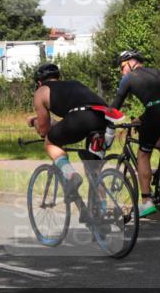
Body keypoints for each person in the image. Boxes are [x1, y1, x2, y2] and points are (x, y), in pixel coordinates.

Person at [108, 50, 160, 217]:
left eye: (122, 67)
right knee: (156, 135)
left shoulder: (129, 78)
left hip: (158, 111)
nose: (121, 71)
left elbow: (116, 104)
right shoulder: (156, 72)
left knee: (143, 155)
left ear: (130, 63)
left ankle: (146, 202)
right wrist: (142, 119)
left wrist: (106, 122)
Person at [27, 62, 118, 194]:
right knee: (93, 170)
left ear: (39, 82)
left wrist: (34, 121)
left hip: (79, 118)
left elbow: (44, 130)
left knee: (50, 141)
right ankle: (101, 211)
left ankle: (71, 175)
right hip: (103, 118)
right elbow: (69, 120)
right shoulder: (74, 84)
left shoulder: (41, 91)